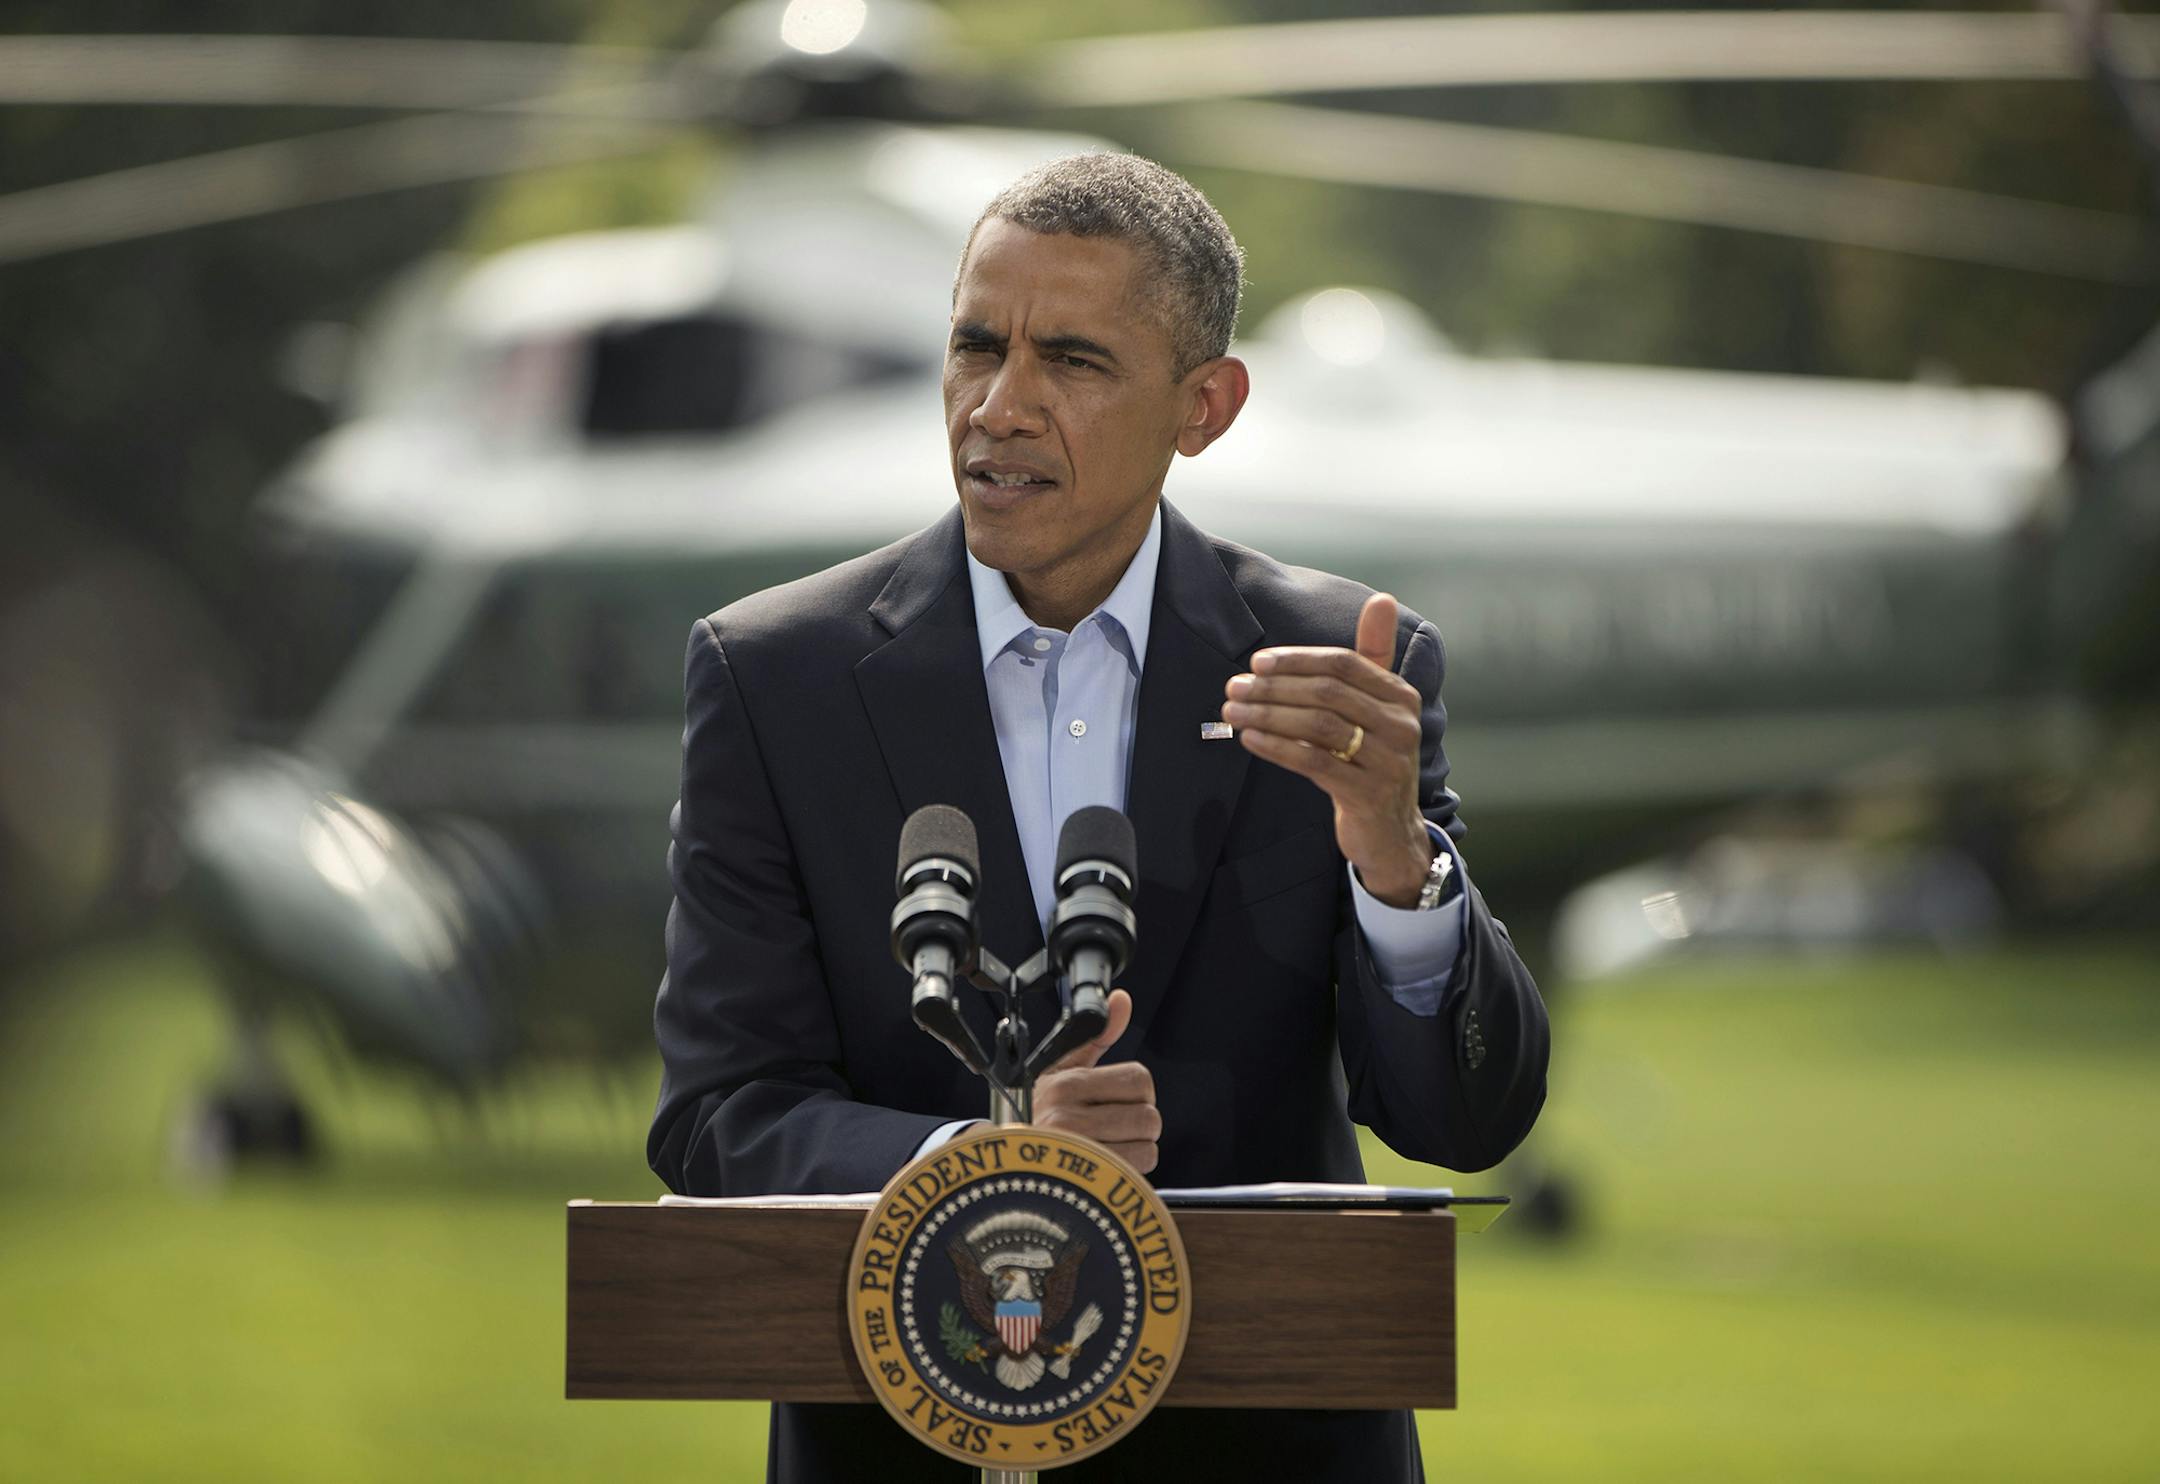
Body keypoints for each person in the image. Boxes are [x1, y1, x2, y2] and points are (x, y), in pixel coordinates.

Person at [649, 153, 1548, 1483]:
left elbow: (1464, 1124)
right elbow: (719, 1113)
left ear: (1207, 406)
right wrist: (988, 1163)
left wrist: (1395, 857)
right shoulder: (770, 677)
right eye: (973, 346)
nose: (999, 408)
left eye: (1070, 361)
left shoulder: (1347, 670)